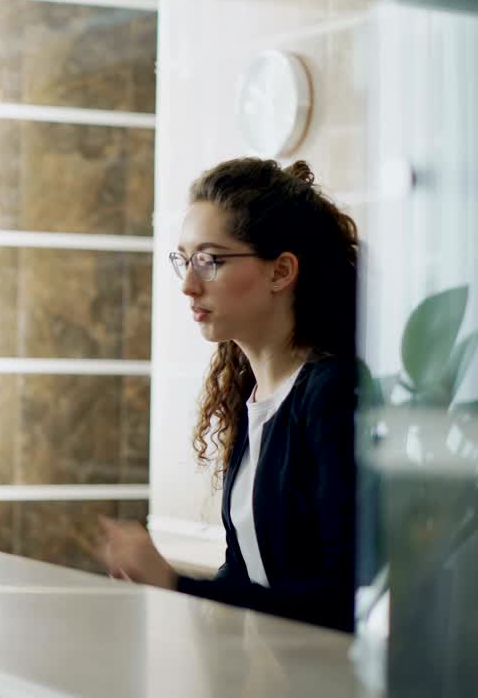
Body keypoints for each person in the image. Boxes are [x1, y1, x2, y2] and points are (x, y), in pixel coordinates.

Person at [96, 157, 359, 632]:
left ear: (281, 272)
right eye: (185, 259)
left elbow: (341, 601)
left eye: (210, 260)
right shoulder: (256, 397)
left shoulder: (333, 394)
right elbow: (246, 576)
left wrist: (174, 583)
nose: (188, 285)